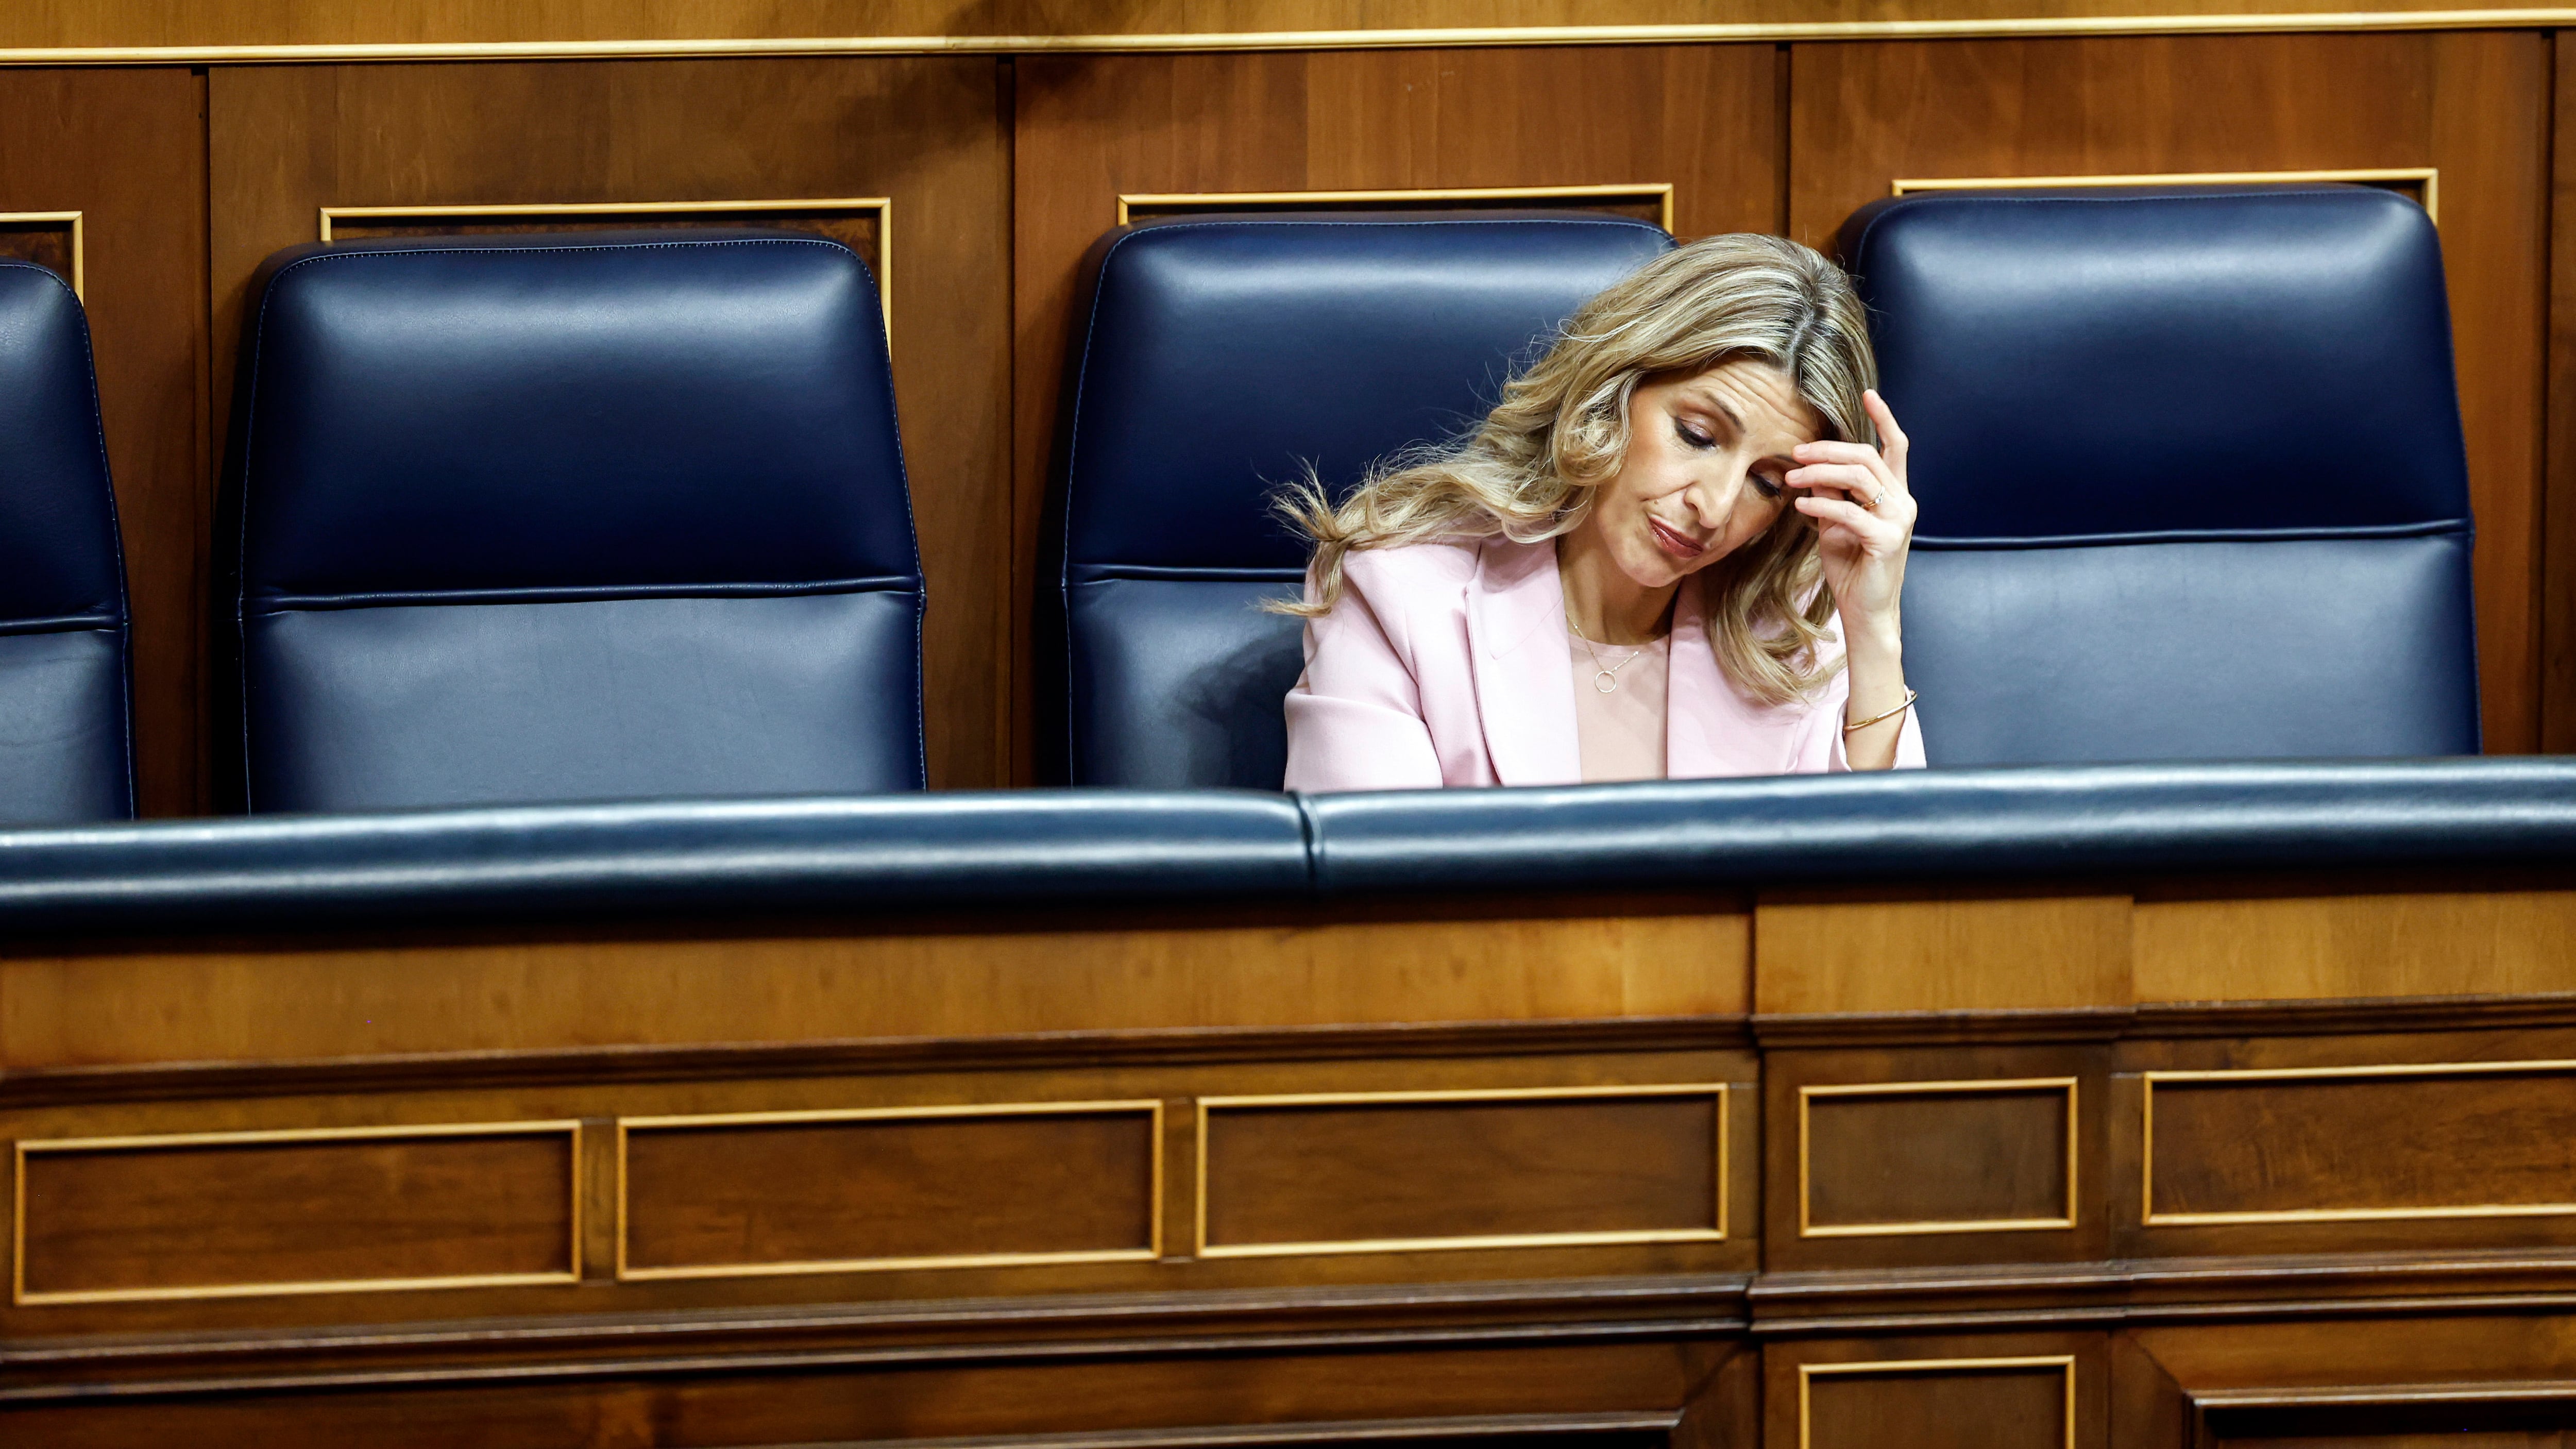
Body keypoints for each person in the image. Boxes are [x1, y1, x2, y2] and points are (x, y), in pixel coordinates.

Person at [1278, 233, 1924, 791]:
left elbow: (1880, 903)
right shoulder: (1399, 593)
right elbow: (1369, 906)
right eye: (1696, 436)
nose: (1713, 506)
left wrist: (1874, 633)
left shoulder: (1804, 628)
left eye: (1767, 482)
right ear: (1610, 392)